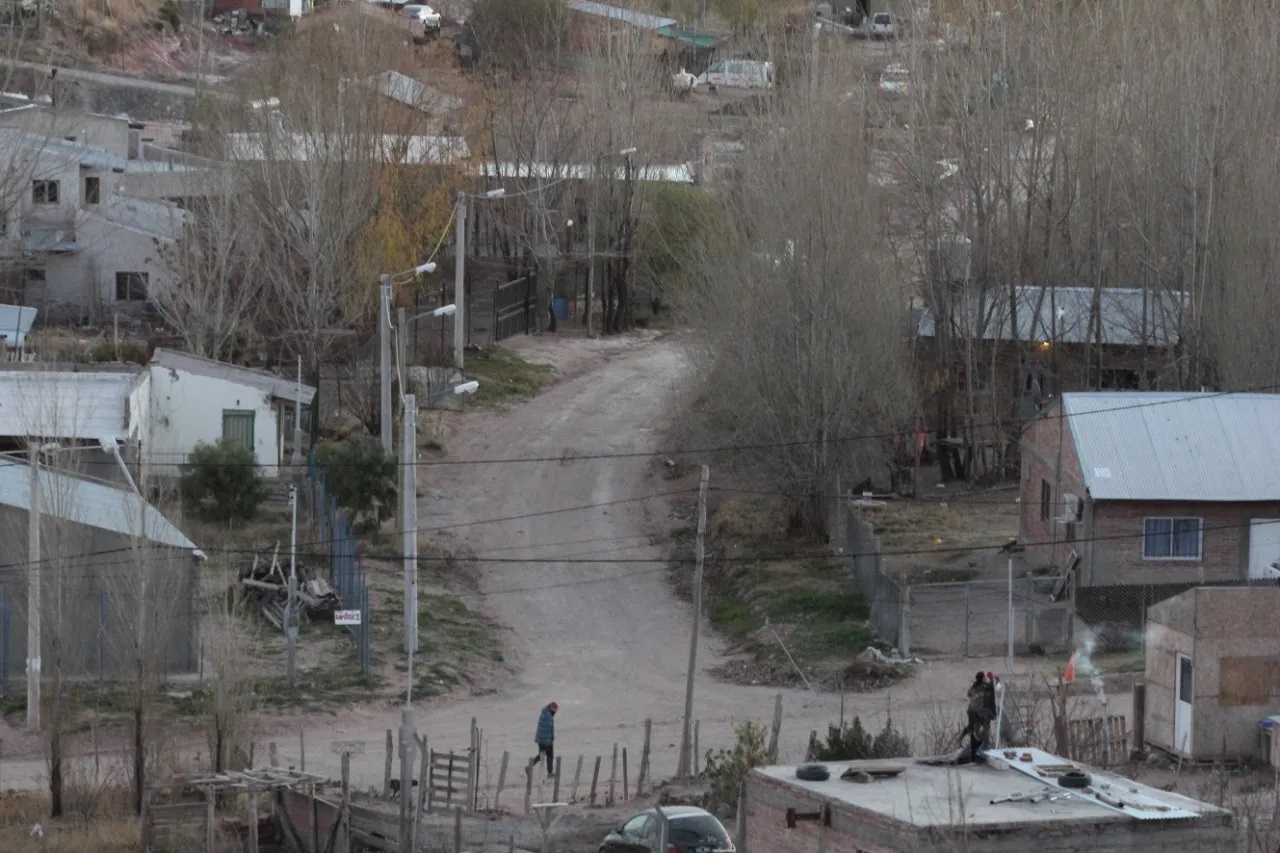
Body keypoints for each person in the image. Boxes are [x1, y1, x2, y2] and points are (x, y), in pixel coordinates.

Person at [965, 672, 992, 762]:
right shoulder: (983, 687)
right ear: (982, 678)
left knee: (973, 729)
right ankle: (982, 745)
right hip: (978, 712)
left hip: (972, 711)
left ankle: (975, 746)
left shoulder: (974, 687)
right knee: (985, 727)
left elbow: (969, 694)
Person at [529, 701, 558, 779]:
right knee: (549, 755)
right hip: (546, 740)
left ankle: (530, 767)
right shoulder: (548, 716)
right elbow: (549, 729)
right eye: (554, 711)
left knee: (542, 755)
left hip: (541, 739)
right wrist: (551, 740)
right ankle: (549, 773)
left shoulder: (544, 713)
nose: (555, 713)